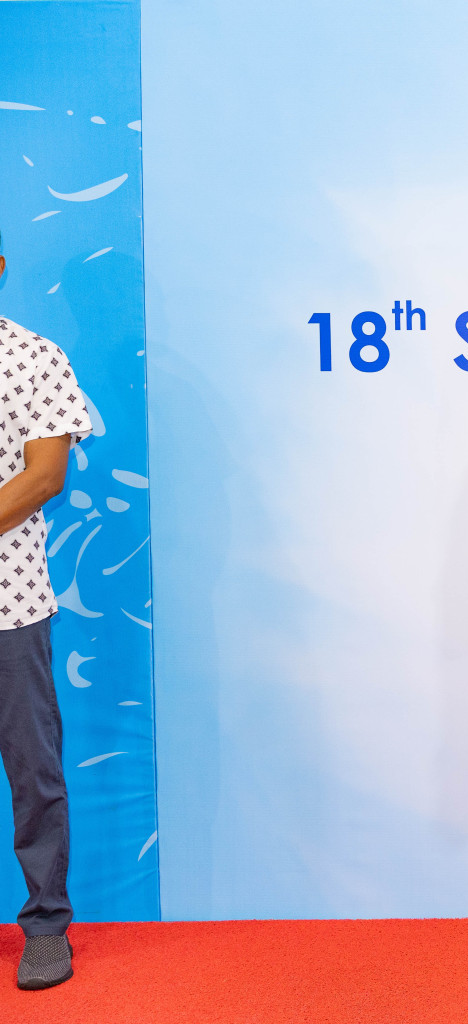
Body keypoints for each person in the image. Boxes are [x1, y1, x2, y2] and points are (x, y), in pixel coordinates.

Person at [0, 237, 95, 991]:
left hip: (10, 603)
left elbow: (44, 477)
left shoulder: (35, 358)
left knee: (34, 771)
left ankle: (45, 926)